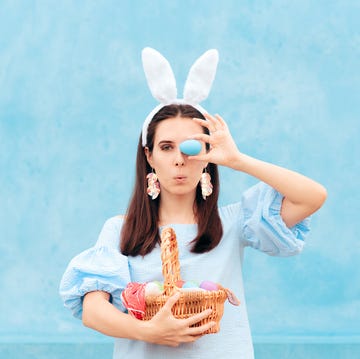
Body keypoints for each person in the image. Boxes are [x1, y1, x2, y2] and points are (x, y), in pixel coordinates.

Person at [59, 48, 327, 359]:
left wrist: (237, 160)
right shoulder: (120, 230)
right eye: (166, 147)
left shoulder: (235, 223)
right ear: (149, 156)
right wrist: (150, 331)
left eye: (191, 147)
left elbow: (312, 196)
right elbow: (93, 311)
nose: (179, 160)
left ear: (207, 155)